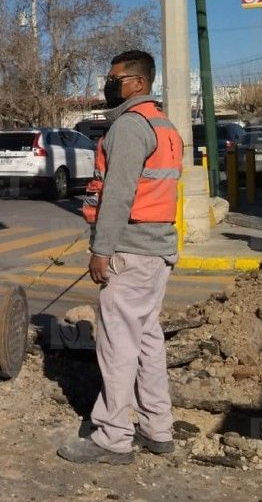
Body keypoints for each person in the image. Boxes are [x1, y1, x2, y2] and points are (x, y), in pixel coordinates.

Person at [58, 50, 181, 465]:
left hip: (130, 250)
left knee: (117, 344)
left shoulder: (130, 127)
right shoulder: (164, 126)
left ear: (139, 84)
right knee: (147, 339)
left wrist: (101, 250)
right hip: (157, 249)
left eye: (116, 78)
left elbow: (118, 194)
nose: (109, 85)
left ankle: (112, 437)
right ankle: (156, 426)